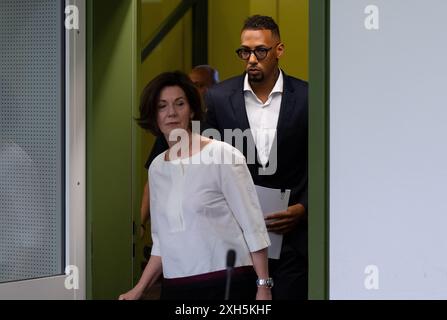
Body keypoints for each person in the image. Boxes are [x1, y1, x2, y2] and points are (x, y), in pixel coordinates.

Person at [119, 71, 272, 300]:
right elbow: (162, 243)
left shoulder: (223, 155)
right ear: (153, 115)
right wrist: (139, 288)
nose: (171, 112)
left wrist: (263, 287)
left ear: (191, 110)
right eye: (162, 106)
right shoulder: (157, 168)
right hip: (175, 287)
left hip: (227, 283)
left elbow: (253, 226)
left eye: (179, 104)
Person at [139, 65, 219, 238]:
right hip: (177, 238)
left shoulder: (223, 138)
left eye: (199, 85)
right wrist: (141, 222)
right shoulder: (167, 139)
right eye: (162, 106)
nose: (171, 113)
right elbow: (153, 182)